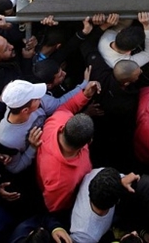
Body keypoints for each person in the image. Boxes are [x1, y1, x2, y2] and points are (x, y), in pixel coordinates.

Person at [36, 81, 100, 212]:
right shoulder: (61, 180)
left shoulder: (57, 120)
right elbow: (54, 206)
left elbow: (66, 109)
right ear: (89, 142)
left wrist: (85, 95)